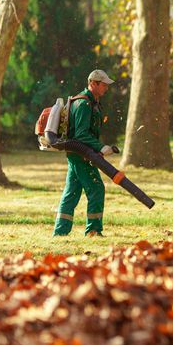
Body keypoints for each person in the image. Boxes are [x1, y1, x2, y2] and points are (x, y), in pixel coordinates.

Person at [53, 69, 117, 237]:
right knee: (96, 189)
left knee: (71, 193)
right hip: (80, 155)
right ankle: (93, 230)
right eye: (103, 85)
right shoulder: (83, 104)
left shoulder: (92, 101)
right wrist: (101, 147)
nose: (106, 88)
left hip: (79, 154)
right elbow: (81, 134)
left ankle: (60, 232)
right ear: (93, 83)